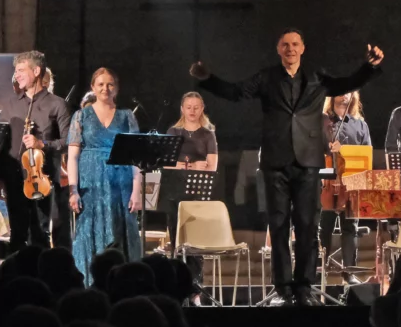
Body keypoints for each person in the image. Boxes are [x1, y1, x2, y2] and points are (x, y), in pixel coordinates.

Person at [190, 28, 384, 306]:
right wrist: (207, 78)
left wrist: (369, 67)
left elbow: (347, 83)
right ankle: (282, 287)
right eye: (285, 45)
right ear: (278, 50)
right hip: (275, 161)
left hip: (308, 161)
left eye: (295, 44)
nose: (290, 49)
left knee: (308, 225)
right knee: (279, 226)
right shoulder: (266, 77)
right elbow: (236, 92)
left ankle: (304, 287)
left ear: (302, 48)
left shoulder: (317, 78)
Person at [67, 67, 142, 285]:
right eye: (100, 84)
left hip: (121, 184)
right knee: (89, 231)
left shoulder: (127, 116)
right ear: (93, 87)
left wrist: (136, 191)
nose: (105, 88)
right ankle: (90, 286)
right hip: (91, 183)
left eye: (110, 84)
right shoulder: (81, 116)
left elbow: (136, 157)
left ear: (116, 88)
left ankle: (125, 285)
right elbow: (72, 157)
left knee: (121, 230)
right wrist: (73, 190)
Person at [0, 51, 73, 252]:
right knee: (17, 233)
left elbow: (68, 142)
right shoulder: (10, 104)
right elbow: (1, 145)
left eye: (21, 70)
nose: (16, 75)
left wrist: (42, 144)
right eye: (16, 71)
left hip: (43, 178)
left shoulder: (57, 104)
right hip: (14, 177)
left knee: (40, 233)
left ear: (36, 71)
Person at [164, 91, 218, 302]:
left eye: (196, 107)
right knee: (177, 242)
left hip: (197, 194)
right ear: (182, 109)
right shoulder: (173, 131)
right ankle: (177, 289)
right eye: (188, 107)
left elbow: (212, 166)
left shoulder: (208, 134)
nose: (192, 111)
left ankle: (195, 290)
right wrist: (190, 165)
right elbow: (166, 162)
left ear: (202, 109)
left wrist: (196, 166)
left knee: (195, 245)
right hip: (174, 192)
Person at [320, 91, 371, 285]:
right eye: (341, 91)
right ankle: (320, 271)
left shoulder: (360, 124)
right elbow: (312, 148)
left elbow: (366, 153)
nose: (345, 94)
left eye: (349, 91)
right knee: (324, 227)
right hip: (327, 182)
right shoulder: (323, 121)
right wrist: (327, 148)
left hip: (352, 183)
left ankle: (349, 272)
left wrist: (345, 151)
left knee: (350, 228)